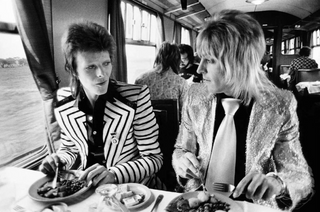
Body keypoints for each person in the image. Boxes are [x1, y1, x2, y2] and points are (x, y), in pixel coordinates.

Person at [172, 10, 313, 211]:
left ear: (238, 62)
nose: (199, 69)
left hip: (251, 206)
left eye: (210, 60)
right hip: (200, 201)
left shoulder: (280, 104)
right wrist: (181, 163)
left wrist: (277, 184)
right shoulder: (195, 95)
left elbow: (301, 176)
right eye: (200, 58)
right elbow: (181, 149)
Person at [39, 21, 164, 189]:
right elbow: (69, 149)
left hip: (133, 189)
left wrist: (114, 174)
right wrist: (58, 161)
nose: (102, 74)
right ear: (73, 70)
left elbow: (153, 159)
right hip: (87, 189)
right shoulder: (63, 101)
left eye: (106, 63)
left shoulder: (136, 98)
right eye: (91, 67)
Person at [135, 42, 189, 115]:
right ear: (177, 60)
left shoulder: (140, 79)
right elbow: (185, 111)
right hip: (171, 125)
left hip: (145, 123)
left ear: (158, 57)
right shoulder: (181, 82)